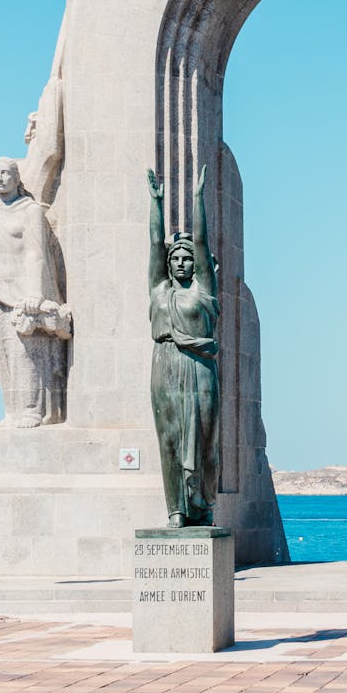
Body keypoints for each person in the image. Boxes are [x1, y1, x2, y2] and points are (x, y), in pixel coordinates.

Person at [147, 165, 220, 527]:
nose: (181, 262)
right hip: (165, 364)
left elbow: (203, 243)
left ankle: (203, 505)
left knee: (205, 439)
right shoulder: (159, 290)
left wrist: (197, 198)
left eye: (187, 257)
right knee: (170, 439)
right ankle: (175, 508)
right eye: (175, 257)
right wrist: (156, 205)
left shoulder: (204, 291)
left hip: (201, 368)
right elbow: (153, 244)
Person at [0, 157, 69, 426]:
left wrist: (35, 293)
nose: (0, 177)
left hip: (23, 290)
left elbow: (36, 253)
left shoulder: (31, 211)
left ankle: (31, 409)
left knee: (26, 351)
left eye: (6, 172)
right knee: (1, 353)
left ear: (17, 178)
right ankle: (11, 411)